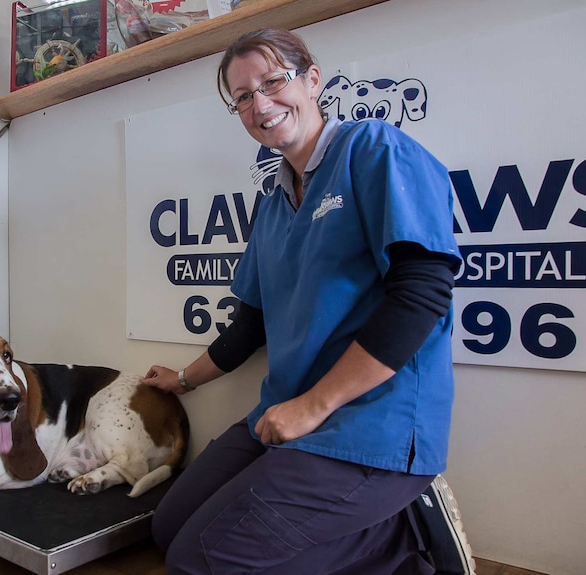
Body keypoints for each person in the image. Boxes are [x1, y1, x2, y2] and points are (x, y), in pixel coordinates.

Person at [140, 28, 470, 574]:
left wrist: (313, 406)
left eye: (273, 82)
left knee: (198, 561)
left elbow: (423, 292)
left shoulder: (372, 149)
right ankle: (387, 537)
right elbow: (249, 326)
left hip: (370, 424)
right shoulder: (271, 205)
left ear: (313, 79)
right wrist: (181, 379)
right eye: (243, 97)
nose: (260, 104)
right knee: (168, 528)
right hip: (285, 414)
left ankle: (406, 542)